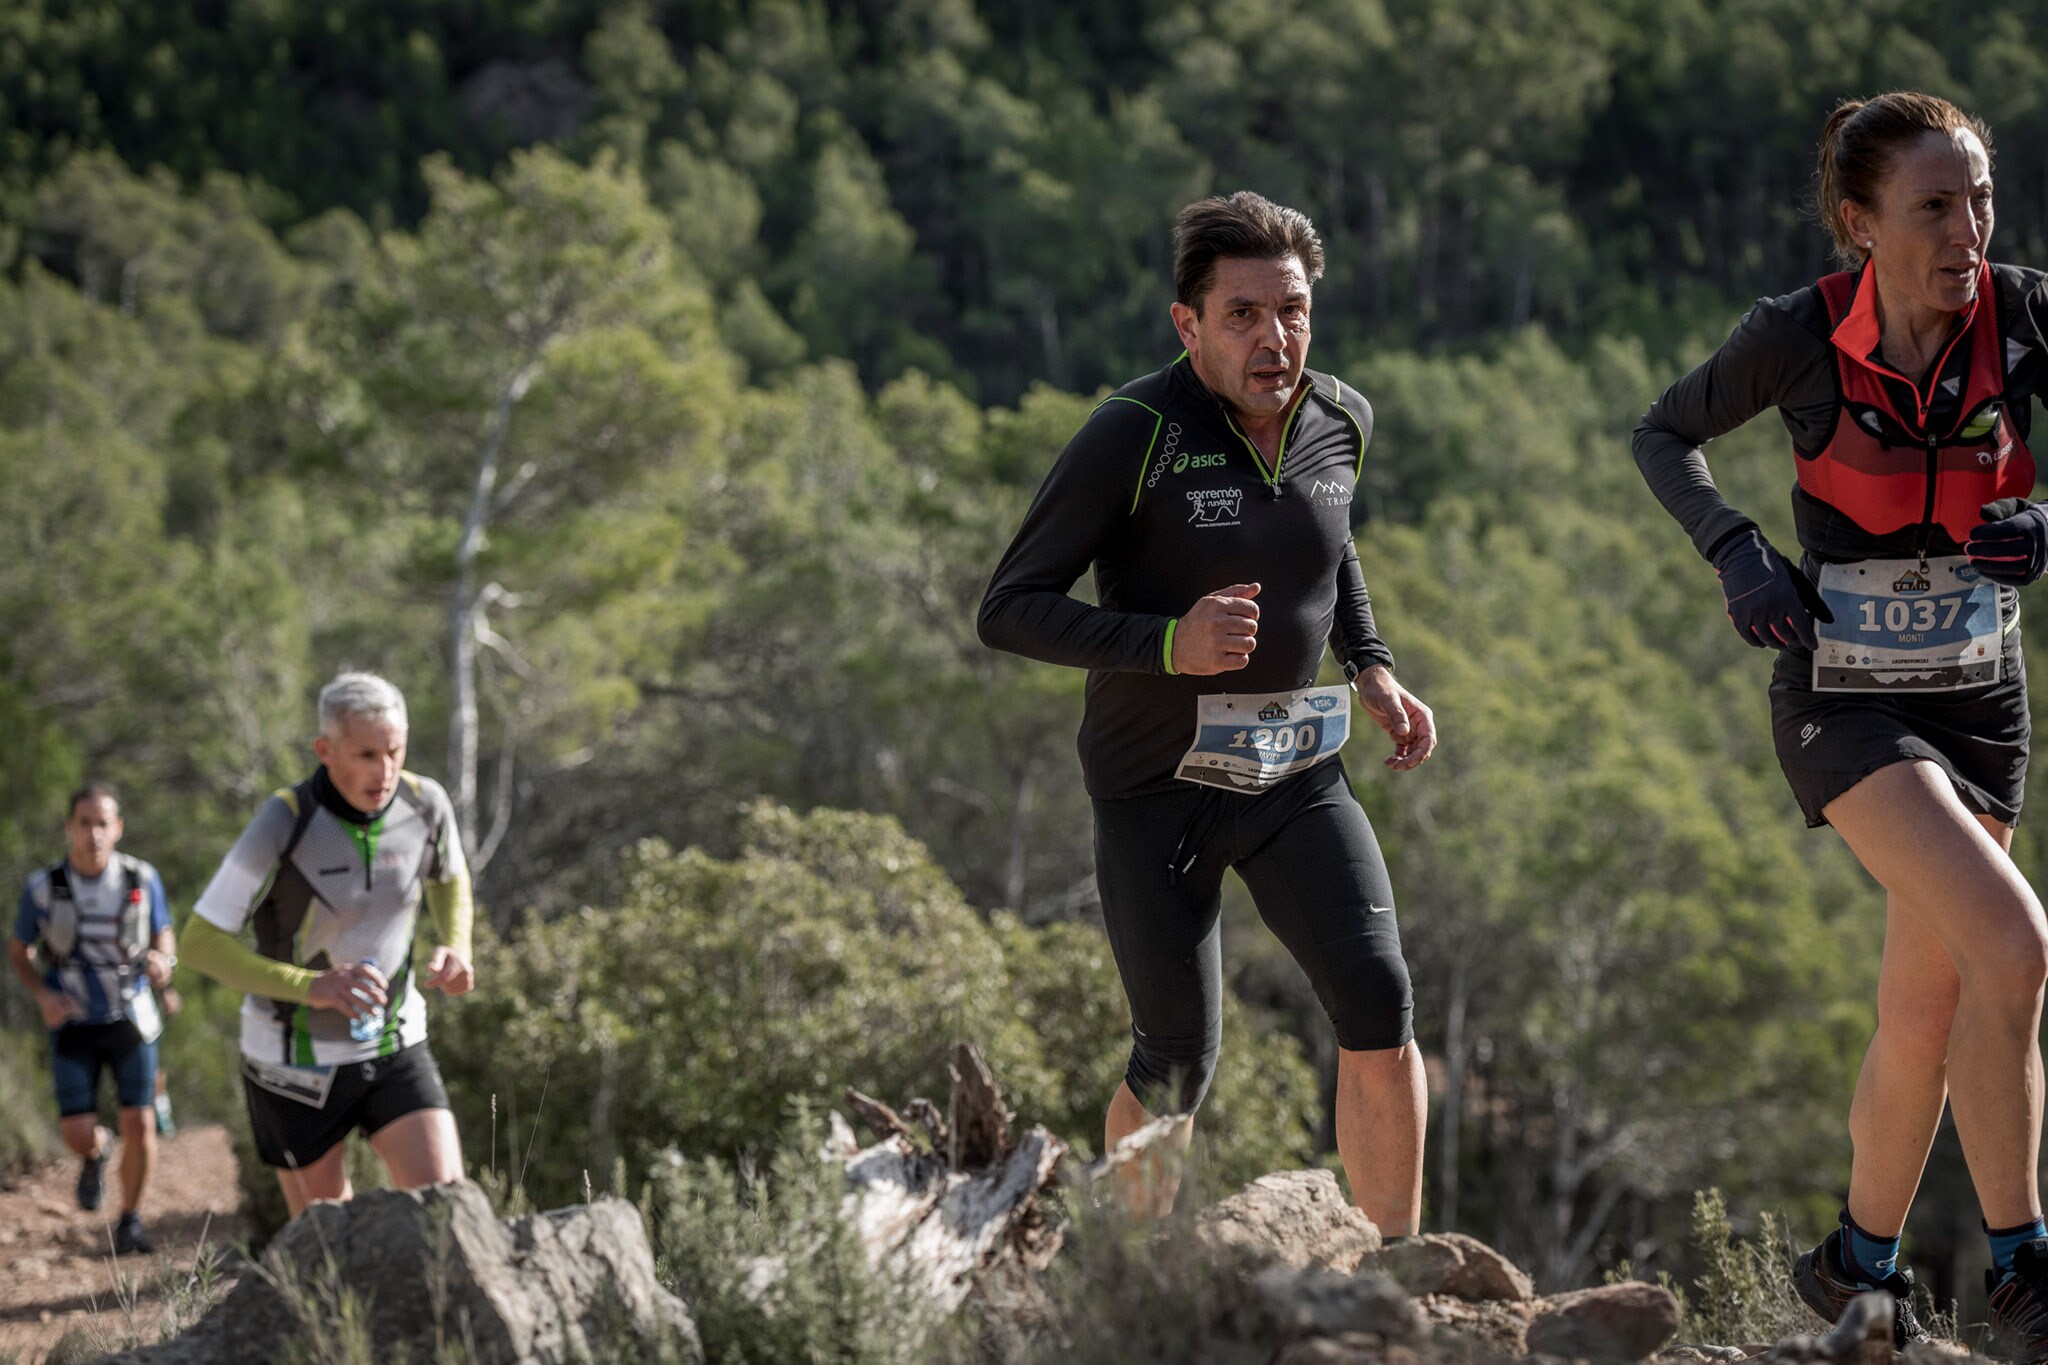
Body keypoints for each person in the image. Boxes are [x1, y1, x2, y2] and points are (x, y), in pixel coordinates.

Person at [1634, 92, 2048, 1354]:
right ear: (1859, 223)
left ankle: (1852, 1264)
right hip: (1843, 698)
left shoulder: (2022, 315)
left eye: (1977, 197)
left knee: (1929, 1004)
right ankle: (2025, 1267)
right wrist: (1734, 550)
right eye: (1933, 205)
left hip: (1979, 703)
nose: (1965, 227)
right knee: (2017, 947)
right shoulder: (1798, 333)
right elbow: (1663, 433)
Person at [978, 191, 1437, 1230]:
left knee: (1379, 1003)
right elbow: (1005, 610)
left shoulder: (1340, 420)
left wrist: (1369, 663)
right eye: (1242, 315)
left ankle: (1405, 1279)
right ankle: (1140, 1296)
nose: (1274, 338)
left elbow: (1328, 545)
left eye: (1293, 310)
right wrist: (1165, 644)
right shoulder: (1129, 434)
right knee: (1177, 1063)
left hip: (1291, 773)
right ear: (1186, 325)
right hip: (1155, 790)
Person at [181, 671, 477, 1217]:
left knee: (447, 1213)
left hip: (393, 1041)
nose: (385, 770)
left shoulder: (425, 803)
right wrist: (311, 987)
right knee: (327, 1246)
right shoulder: (284, 820)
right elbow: (198, 943)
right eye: (366, 754)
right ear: (325, 749)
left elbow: (449, 877)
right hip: (292, 1060)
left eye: (395, 750)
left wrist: (456, 944)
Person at [8, 783, 176, 1255]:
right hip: (74, 1020)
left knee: (140, 1124)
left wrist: (166, 963)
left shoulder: (142, 878)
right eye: (85, 824)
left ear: (118, 828)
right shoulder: (44, 888)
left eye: (103, 824)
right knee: (76, 1134)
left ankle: (131, 1220)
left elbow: (164, 934)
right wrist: (42, 994)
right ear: (69, 828)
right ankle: (96, 1153)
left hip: (131, 1016)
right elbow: (20, 949)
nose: (94, 834)